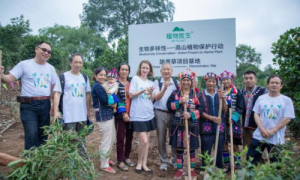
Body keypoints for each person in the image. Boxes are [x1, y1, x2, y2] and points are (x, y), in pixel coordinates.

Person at [0, 42, 57, 150]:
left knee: (43, 133)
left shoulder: (51, 68)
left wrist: (55, 106)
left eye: (49, 52)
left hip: (45, 104)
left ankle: (40, 161)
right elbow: (9, 79)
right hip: (28, 105)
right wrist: (1, 75)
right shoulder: (25, 64)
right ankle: (30, 161)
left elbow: (54, 89)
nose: (46, 53)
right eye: (44, 50)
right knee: (31, 133)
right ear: (36, 49)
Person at [247, 75, 295, 165]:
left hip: (276, 137)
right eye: (272, 82)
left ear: (281, 86)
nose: (274, 85)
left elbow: (287, 118)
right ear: (267, 85)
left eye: (277, 83)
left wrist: (273, 130)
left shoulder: (286, 100)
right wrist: (261, 128)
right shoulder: (261, 98)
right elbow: (256, 113)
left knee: (276, 163)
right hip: (259, 135)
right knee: (251, 160)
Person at [167, 68, 200, 179]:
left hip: (192, 125)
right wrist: (179, 102)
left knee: (191, 148)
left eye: (188, 80)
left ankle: (191, 169)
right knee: (179, 148)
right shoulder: (175, 93)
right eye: (184, 80)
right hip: (178, 125)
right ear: (180, 81)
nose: (186, 82)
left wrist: (191, 114)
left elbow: (202, 108)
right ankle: (180, 169)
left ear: (191, 81)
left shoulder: (196, 93)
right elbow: (169, 105)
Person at [129, 60, 156, 175]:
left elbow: (152, 99)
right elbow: (131, 95)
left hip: (149, 114)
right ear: (140, 68)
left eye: (147, 68)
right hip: (137, 115)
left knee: (147, 142)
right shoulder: (135, 79)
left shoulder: (151, 82)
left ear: (150, 70)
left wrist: (150, 94)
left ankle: (144, 164)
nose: (145, 70)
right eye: (143, 68)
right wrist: (142, 91)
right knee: (143, 141)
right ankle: (139, 163)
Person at [53, 54, 91, 133]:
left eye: (80, 63)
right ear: (70, 63)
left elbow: (88, 95)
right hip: (68, 116)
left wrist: (88, 110)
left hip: (82, 115)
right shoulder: (63, 77)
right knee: (67, 141)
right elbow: (57, 94)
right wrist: (55, 111)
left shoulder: (85, 77)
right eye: (75, 62)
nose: (78, 65)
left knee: (81, 140)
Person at [153, 63, 179, 171]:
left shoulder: (177, 83)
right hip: (160, 113)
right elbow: (156, 97)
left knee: (174, 137)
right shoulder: (157, 82)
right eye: (164, 69)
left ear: (172, 71)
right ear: (161, 72)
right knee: (161, 138)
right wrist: (164, 87)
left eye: (168, 69)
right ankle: (164, 161)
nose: (166, 71)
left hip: (174, 114)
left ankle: (174, 160)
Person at [199, 72, 227, 170]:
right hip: (206, 128)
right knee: (206, 149)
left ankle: (218, 168)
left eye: (213, 81)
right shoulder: (200, 95)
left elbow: (225, 110)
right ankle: (205, 168)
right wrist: (212, 118)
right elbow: (200, 112)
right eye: (209, 81)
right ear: (205, 82)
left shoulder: (221, 94)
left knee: (219, 149)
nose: (211, 83)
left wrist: (223, 99)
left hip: (220, 126)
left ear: (216, 83)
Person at [91, 67, 116, 173]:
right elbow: (106, 100)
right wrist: (113, 104)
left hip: (108, 115)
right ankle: (104, 165)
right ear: (96, 76)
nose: (103, 77)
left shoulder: (101, 86)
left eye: (105, 75)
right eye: (101, 75)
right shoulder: (97, 87)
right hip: (103, 116)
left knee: (111, 138)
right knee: (106, 140)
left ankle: (106, 158)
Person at [219, 70, 244, 169]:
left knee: (235, 144)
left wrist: (233, 118)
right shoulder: (219, 92)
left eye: (227, 79)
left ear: (231, 80)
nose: (225, 81)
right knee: (224, 143)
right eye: (224, 80)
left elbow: (241, 107)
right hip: (223, 120)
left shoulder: (237, 92)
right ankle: (226, 164)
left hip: (234, 121)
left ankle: (237, 164)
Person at [115, 63, 135, 171]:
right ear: (119, 71)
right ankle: (120, 160)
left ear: (128, 71)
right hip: (120, 116)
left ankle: (127, 156)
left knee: (130, 137)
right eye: (122, 69)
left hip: (132, 115)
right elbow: (117, 99)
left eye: (126, 70)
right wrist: (123, 113)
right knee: (120, 137)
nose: (124, 71)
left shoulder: (132, 83)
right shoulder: (115, 84)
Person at [242, 71, 268, 148]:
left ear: (256, 80)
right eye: (246, 78)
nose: (248, 80)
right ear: (244, 80)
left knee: (260, 150)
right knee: (247, 150)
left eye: (251, 78)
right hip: (246, 127)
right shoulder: (241, 92)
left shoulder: (263, 91)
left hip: (260, 127)